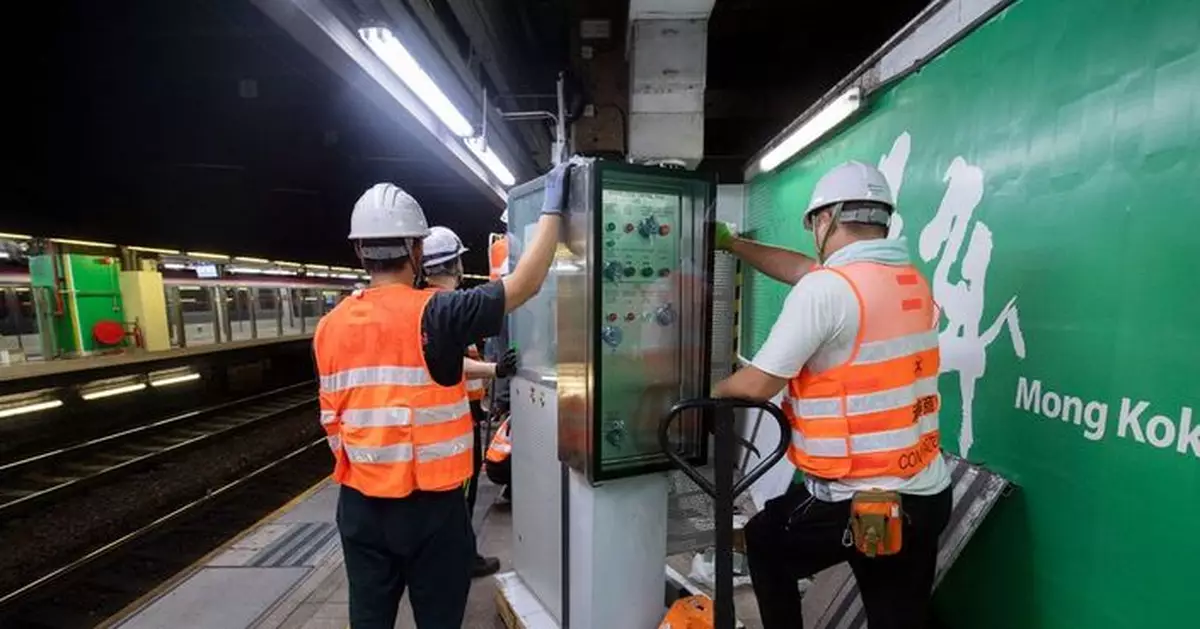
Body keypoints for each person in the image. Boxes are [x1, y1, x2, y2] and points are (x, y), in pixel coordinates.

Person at [313, 162, 573, 629]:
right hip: (431, 509)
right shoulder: (441, 313)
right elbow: (526, 284)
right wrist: (554, 208)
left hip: (359, 507)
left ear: (359, 251)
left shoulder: (328, 327)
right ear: (416, 249)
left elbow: (331, 418)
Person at [710, 161, 952, 629]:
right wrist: (735, 245)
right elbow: (805, 270)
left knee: (764, 540)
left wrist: (710, 391)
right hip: (925, 494)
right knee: (897, 615)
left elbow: (758, 384)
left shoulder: (827, 291)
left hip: (859, 501)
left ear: (825, 220)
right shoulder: (908, 280)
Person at [418, 225, 520, 579]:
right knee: (461, 497)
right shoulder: (444, 308)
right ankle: (461, 559)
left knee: (457, 497)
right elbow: (453, 362)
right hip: (451, 424)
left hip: (454, 416)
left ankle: (458, 554)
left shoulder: (427, 306)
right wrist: (496, 370)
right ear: (454, 265)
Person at [483, 414, 512, 499]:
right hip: (499, 465)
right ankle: (511, 492)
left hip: (495, 464)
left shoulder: (514, 417)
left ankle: (509, 492)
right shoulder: (523, 421)